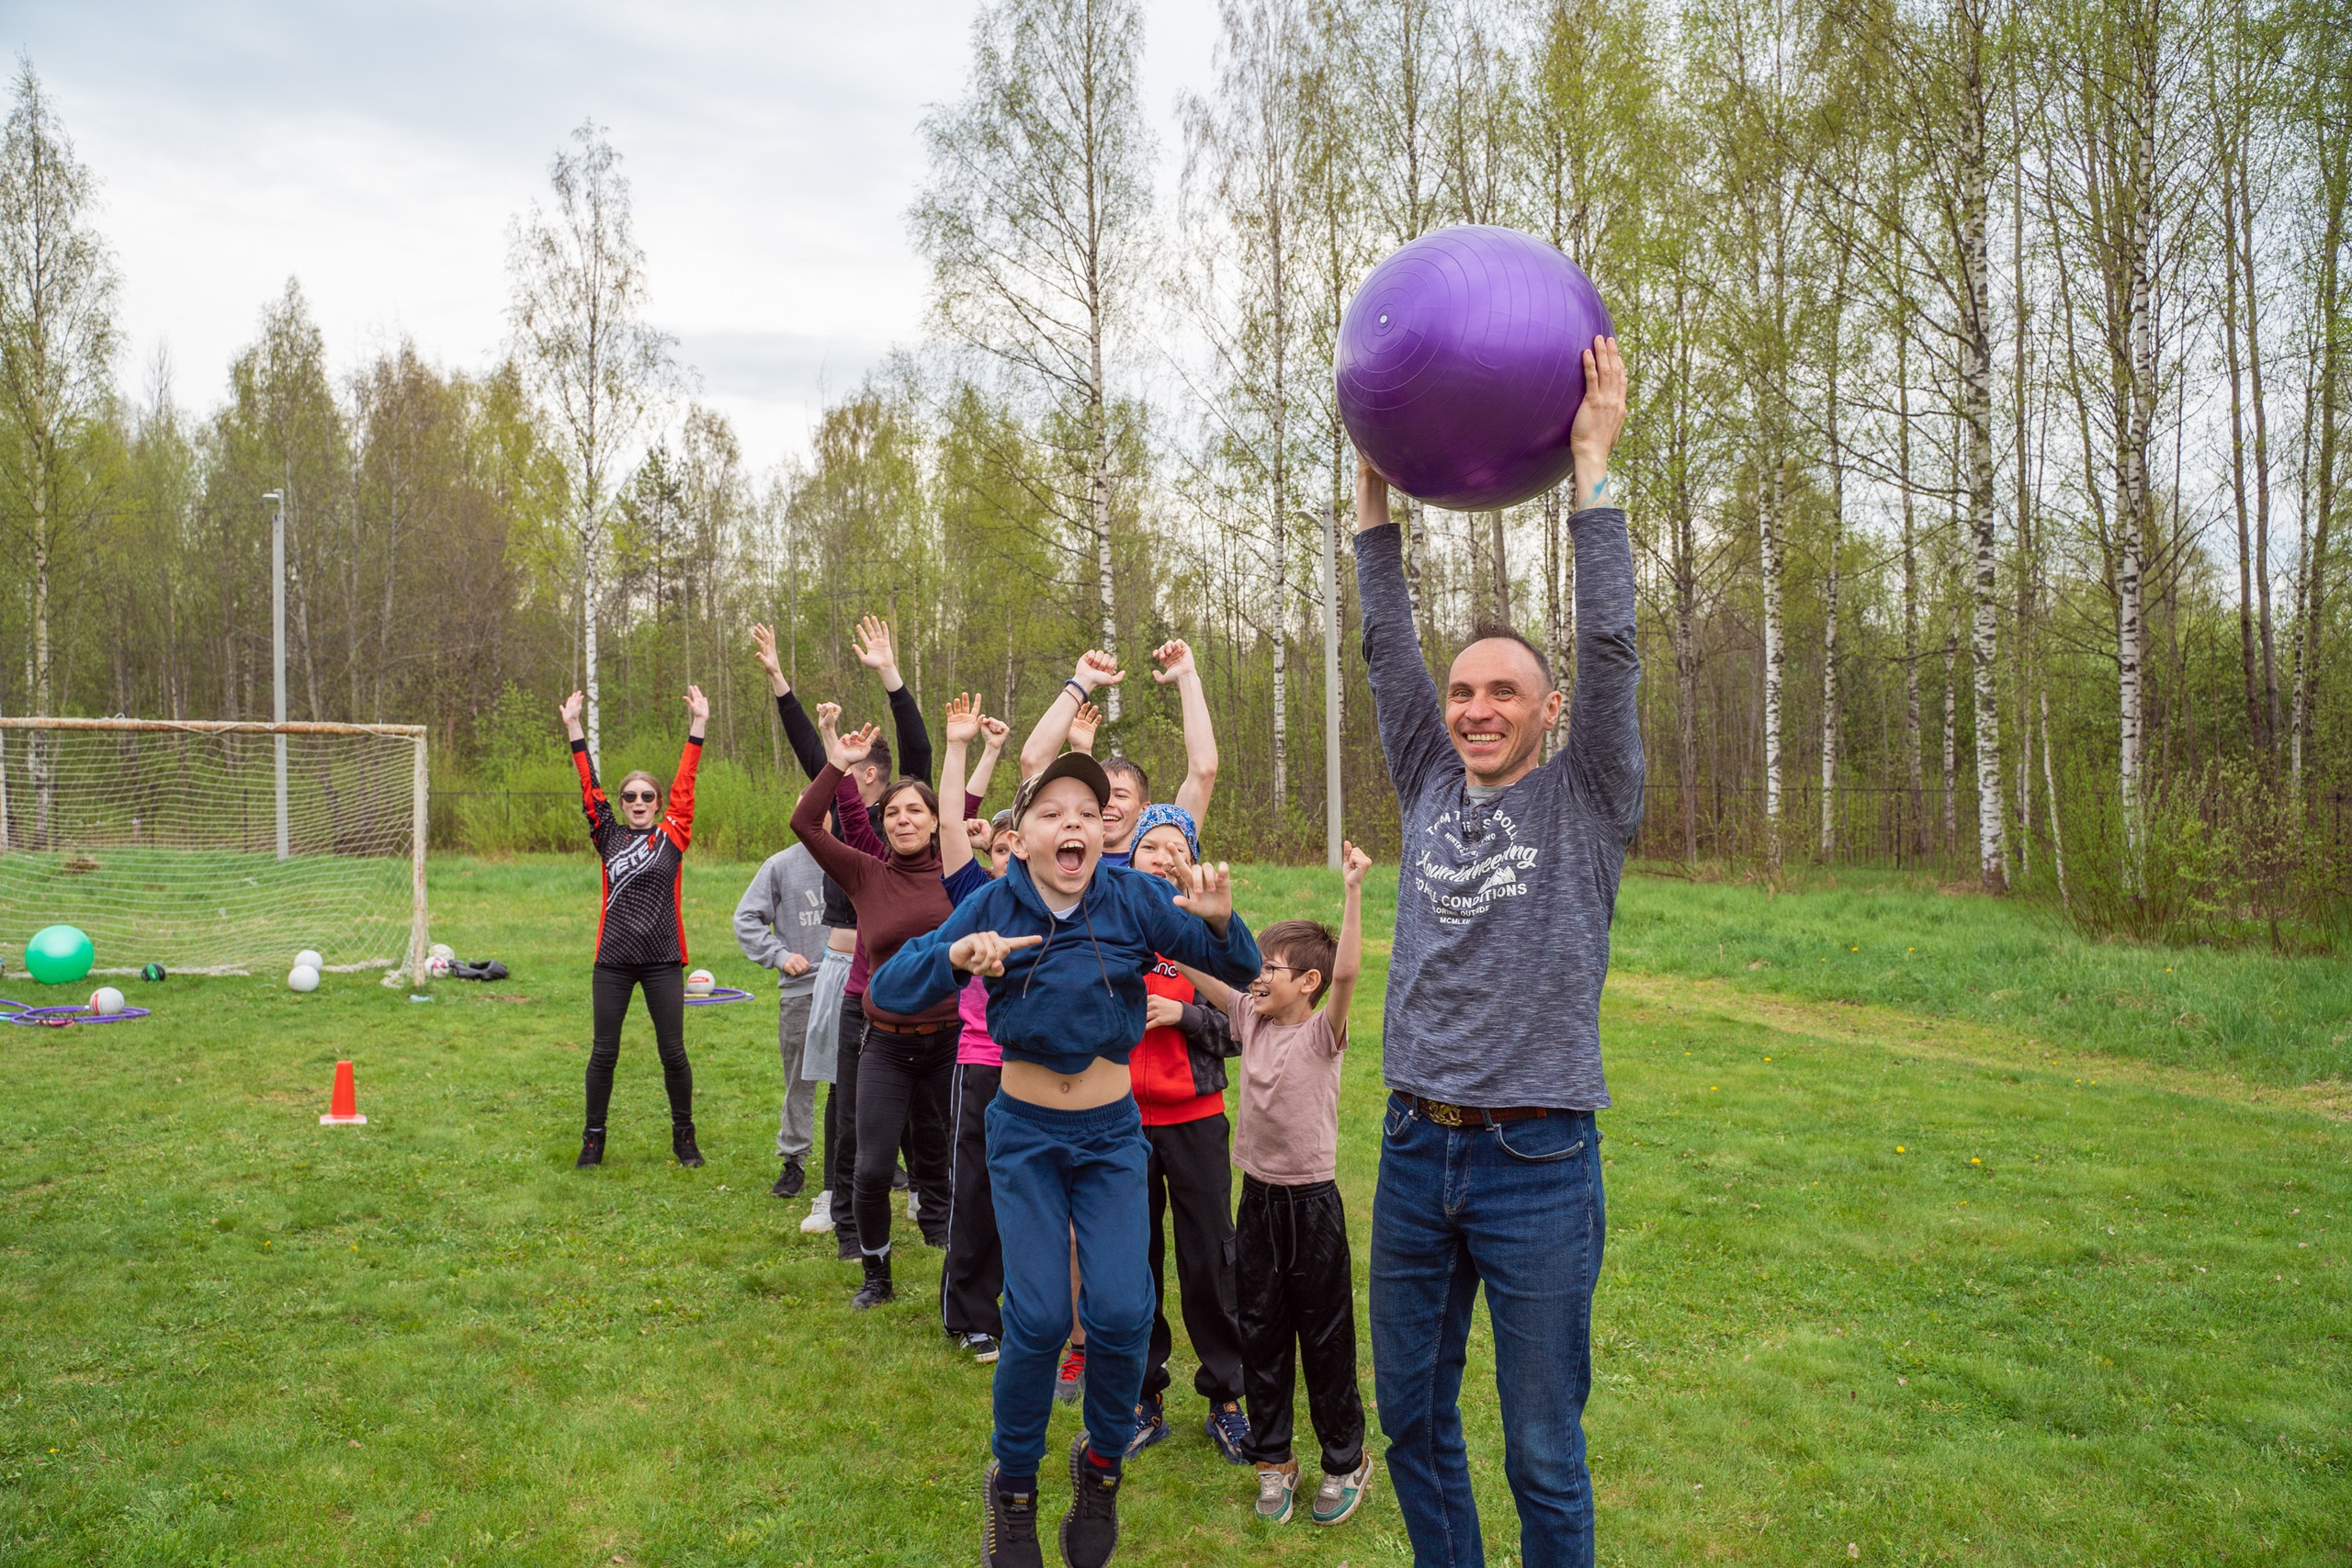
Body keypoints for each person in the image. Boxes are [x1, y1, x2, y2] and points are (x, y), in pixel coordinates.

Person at [1353, 336, 1636, 1568]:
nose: (1472, 708)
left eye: (1502, 693)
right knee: (1412, 1422)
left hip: (1537, 1154)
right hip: (1416, 1147)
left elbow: (1614, 649)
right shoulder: (1424, 774)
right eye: (1463, 690)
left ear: (1549, 710)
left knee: (1541, 1449)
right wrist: (1372, 514)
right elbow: (1385, 653)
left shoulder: (1592, 796)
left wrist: (1591, 473)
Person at [868, 755, 1262, 1568]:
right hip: (1025, 1134)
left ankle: (1102, 1466)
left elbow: (1241, 969)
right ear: (1022, 837)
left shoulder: (1132, 897)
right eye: (1053, 811)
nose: (1074, 822)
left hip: (1114, 1134)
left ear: (1103, 829)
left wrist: (1223, 923)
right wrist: (953, 957)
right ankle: (1013, 1489)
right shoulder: (994, 900)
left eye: (1088, 808)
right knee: (1042, 1319)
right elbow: (890, 988)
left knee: (1121, 1311)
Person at [1182, 842, 1374, 1529]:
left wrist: (1351, 892)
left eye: (1272, 968)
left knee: (1324, 1338)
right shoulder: (1248, 1019)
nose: (1258, 976)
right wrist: (1179, 933)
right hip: (1257, 1201)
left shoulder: (1324, 1033)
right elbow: (1206, 971)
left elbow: (1349, 968)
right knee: (1260, 1332)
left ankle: (1345, 1462)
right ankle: (1273, 1462)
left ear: (1310, 983)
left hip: (1312, 1208)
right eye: (1258, 966)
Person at [752, 617, 935, 1254]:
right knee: (846, 1084)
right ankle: (837, 1194)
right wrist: (778, 679)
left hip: (908, 962)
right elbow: (812, 750)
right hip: (847, 965)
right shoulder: (841, 810)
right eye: (846, 778)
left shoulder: (905, 811)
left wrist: (892, 677)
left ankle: (919, 1187)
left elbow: (919, 747)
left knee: (916, 1078)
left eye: (866, 780)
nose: (853, 787)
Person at [791, 711, 963, 1308]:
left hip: (949, 1040)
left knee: (948, 1153)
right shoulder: (866, 873)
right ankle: (877, 1274)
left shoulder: (958, 876)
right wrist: (836, 761)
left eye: (916, 809)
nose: (905, 818)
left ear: (937, 820)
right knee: (868, 1167)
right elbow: (805, 821)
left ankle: (950, 1249)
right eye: (893, 812)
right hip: (884, 1042)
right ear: (880, 824)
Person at [1119, 802, 1252, 1464]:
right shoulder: (1112, 924)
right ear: (1131, 856)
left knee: (1210, 1262)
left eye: (1177, 846)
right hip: (1119, 1122)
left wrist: (1182, 1016)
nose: (1163, 856)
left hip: (1195, 1118)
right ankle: (1144, 1396)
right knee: (1134, 1264)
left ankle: (1227, 1396)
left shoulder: (1210, 932)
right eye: (1151, 846)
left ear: (1192, 859)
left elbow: (1246, 1025)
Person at [562, 684, 708, 1170]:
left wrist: (698, 727)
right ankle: (593, 1140)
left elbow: (687, 782)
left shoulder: (673, 833)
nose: (639, 801)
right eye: (631, 796)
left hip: (663, 960)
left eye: (648, 795)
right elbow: (590, 789)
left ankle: (684, 1138)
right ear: (622, 804)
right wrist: (575, 730)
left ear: (658, 801)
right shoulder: (608, 834)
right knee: (604, 1053)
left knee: (674, 1054)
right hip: (613, 962)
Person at [1015, 640, 1217, 869]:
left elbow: (1203, 771)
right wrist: (1082, 681)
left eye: (1120, 795)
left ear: (1144, 810)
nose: (1108, 803)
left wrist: (1187, 677)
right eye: (1101, 796)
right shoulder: (1062, 851)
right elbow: (1033, 761)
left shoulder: (1162, 857)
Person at [732, 836, 831, 1198]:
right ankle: (794, 1161)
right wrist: (779, 955)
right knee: (799, 1080)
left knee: (859, 1081)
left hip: (851, 987)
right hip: (801, 991)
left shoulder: (854, 856)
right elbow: (746, 918)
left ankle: (867, 1159)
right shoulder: (781, 864)